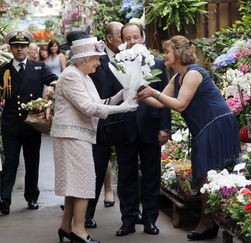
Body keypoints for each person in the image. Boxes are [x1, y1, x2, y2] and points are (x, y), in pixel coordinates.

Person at [137, 35, 240, 241]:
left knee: (207, 174)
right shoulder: (178, 77)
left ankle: (209, 221)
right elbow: (159, 103)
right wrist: (136, 93)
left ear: (178, 53)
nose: (164, 55)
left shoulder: (193, 74)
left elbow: (179, 104)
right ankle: (210, 220)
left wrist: (152, 93)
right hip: (204, 128)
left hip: (215, 124)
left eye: (167, 51)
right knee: (205, 175)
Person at [51, 37, 137, 243]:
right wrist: (122, 108)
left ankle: (65, 227)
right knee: (82, 183)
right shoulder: (72, 76)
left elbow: (99, 103)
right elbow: (90, 108)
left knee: (75, 184)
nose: (98, 63)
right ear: (84, 59)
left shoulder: (82, 75)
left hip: (76, 136)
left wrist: (122, 94)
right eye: (96, 59)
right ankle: (78, 231)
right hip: (71, 137)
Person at [115, 22, 171, 237]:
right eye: (127, 38)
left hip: (150, 126)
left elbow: (166, 97)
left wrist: (165, 127)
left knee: (151, 177)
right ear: (122, 41)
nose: (132, 42)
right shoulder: (116, 64)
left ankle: (150, 220)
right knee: (127, 177)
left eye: (136, 37)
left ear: (142, 38)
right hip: (125, 128)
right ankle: (128, 220)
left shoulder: (156, 62)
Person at [0, 30, 58, 215]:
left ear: (27, 48)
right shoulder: (3, 70)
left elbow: (56, 81)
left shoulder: (38, 67)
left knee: (32, 161)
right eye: (16, 46)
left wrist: (50, 89)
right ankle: (4, 199)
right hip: (10, 123)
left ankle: (32, 197)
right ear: (10, 48)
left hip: (32, 123)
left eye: (23, 46)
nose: (19, 50)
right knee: (10, 162)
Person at [83, 21, 124, 229]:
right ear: (109, 38)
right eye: (120, 34)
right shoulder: (97, 59)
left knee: (128, 171)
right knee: (96, 170)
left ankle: (131, 217)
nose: (124, 38)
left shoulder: (131, 57)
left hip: (125, 120)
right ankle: (87, 214)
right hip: (100, 122)